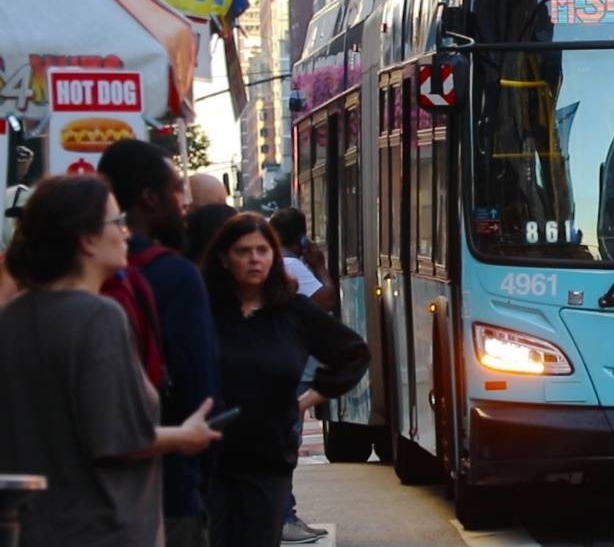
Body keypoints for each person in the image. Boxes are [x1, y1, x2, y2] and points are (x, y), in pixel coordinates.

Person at [0, 175, 221, 547]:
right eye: (116, 223)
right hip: (101, 526)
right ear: (86, 239)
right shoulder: (98, 316)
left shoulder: (10, 317)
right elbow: (118, 437)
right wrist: (185, 435)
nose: (124, 233)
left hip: (28, 527)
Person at [202, 213, 369, 547]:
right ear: (223, 258)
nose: (254, 259)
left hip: (267, 457)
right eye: (243, 251)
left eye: (262, 251)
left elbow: (353, 354)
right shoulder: (204, 309)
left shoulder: (292, 311)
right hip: (208, 458)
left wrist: (306, 400)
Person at [97, 139, 221, 547]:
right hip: (169, 487)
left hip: (87, 494)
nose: (183, 202)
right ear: (150, 198)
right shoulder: (175, 275)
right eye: (176, 190)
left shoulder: (63, 282)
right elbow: (199, 390)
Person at [267, 207, 335, 543]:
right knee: (286, 442)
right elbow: (325, 300)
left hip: (282, 365)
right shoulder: (292, 266)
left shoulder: (275, 265)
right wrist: (320, 266)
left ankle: (281, 515)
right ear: (301, 237)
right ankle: (284, 518)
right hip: (294, 366)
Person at [1, 145, 34, 248]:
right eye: (21, 162)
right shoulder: (18, 191)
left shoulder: (21, 191)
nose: (24, 165)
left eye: (26, 162)